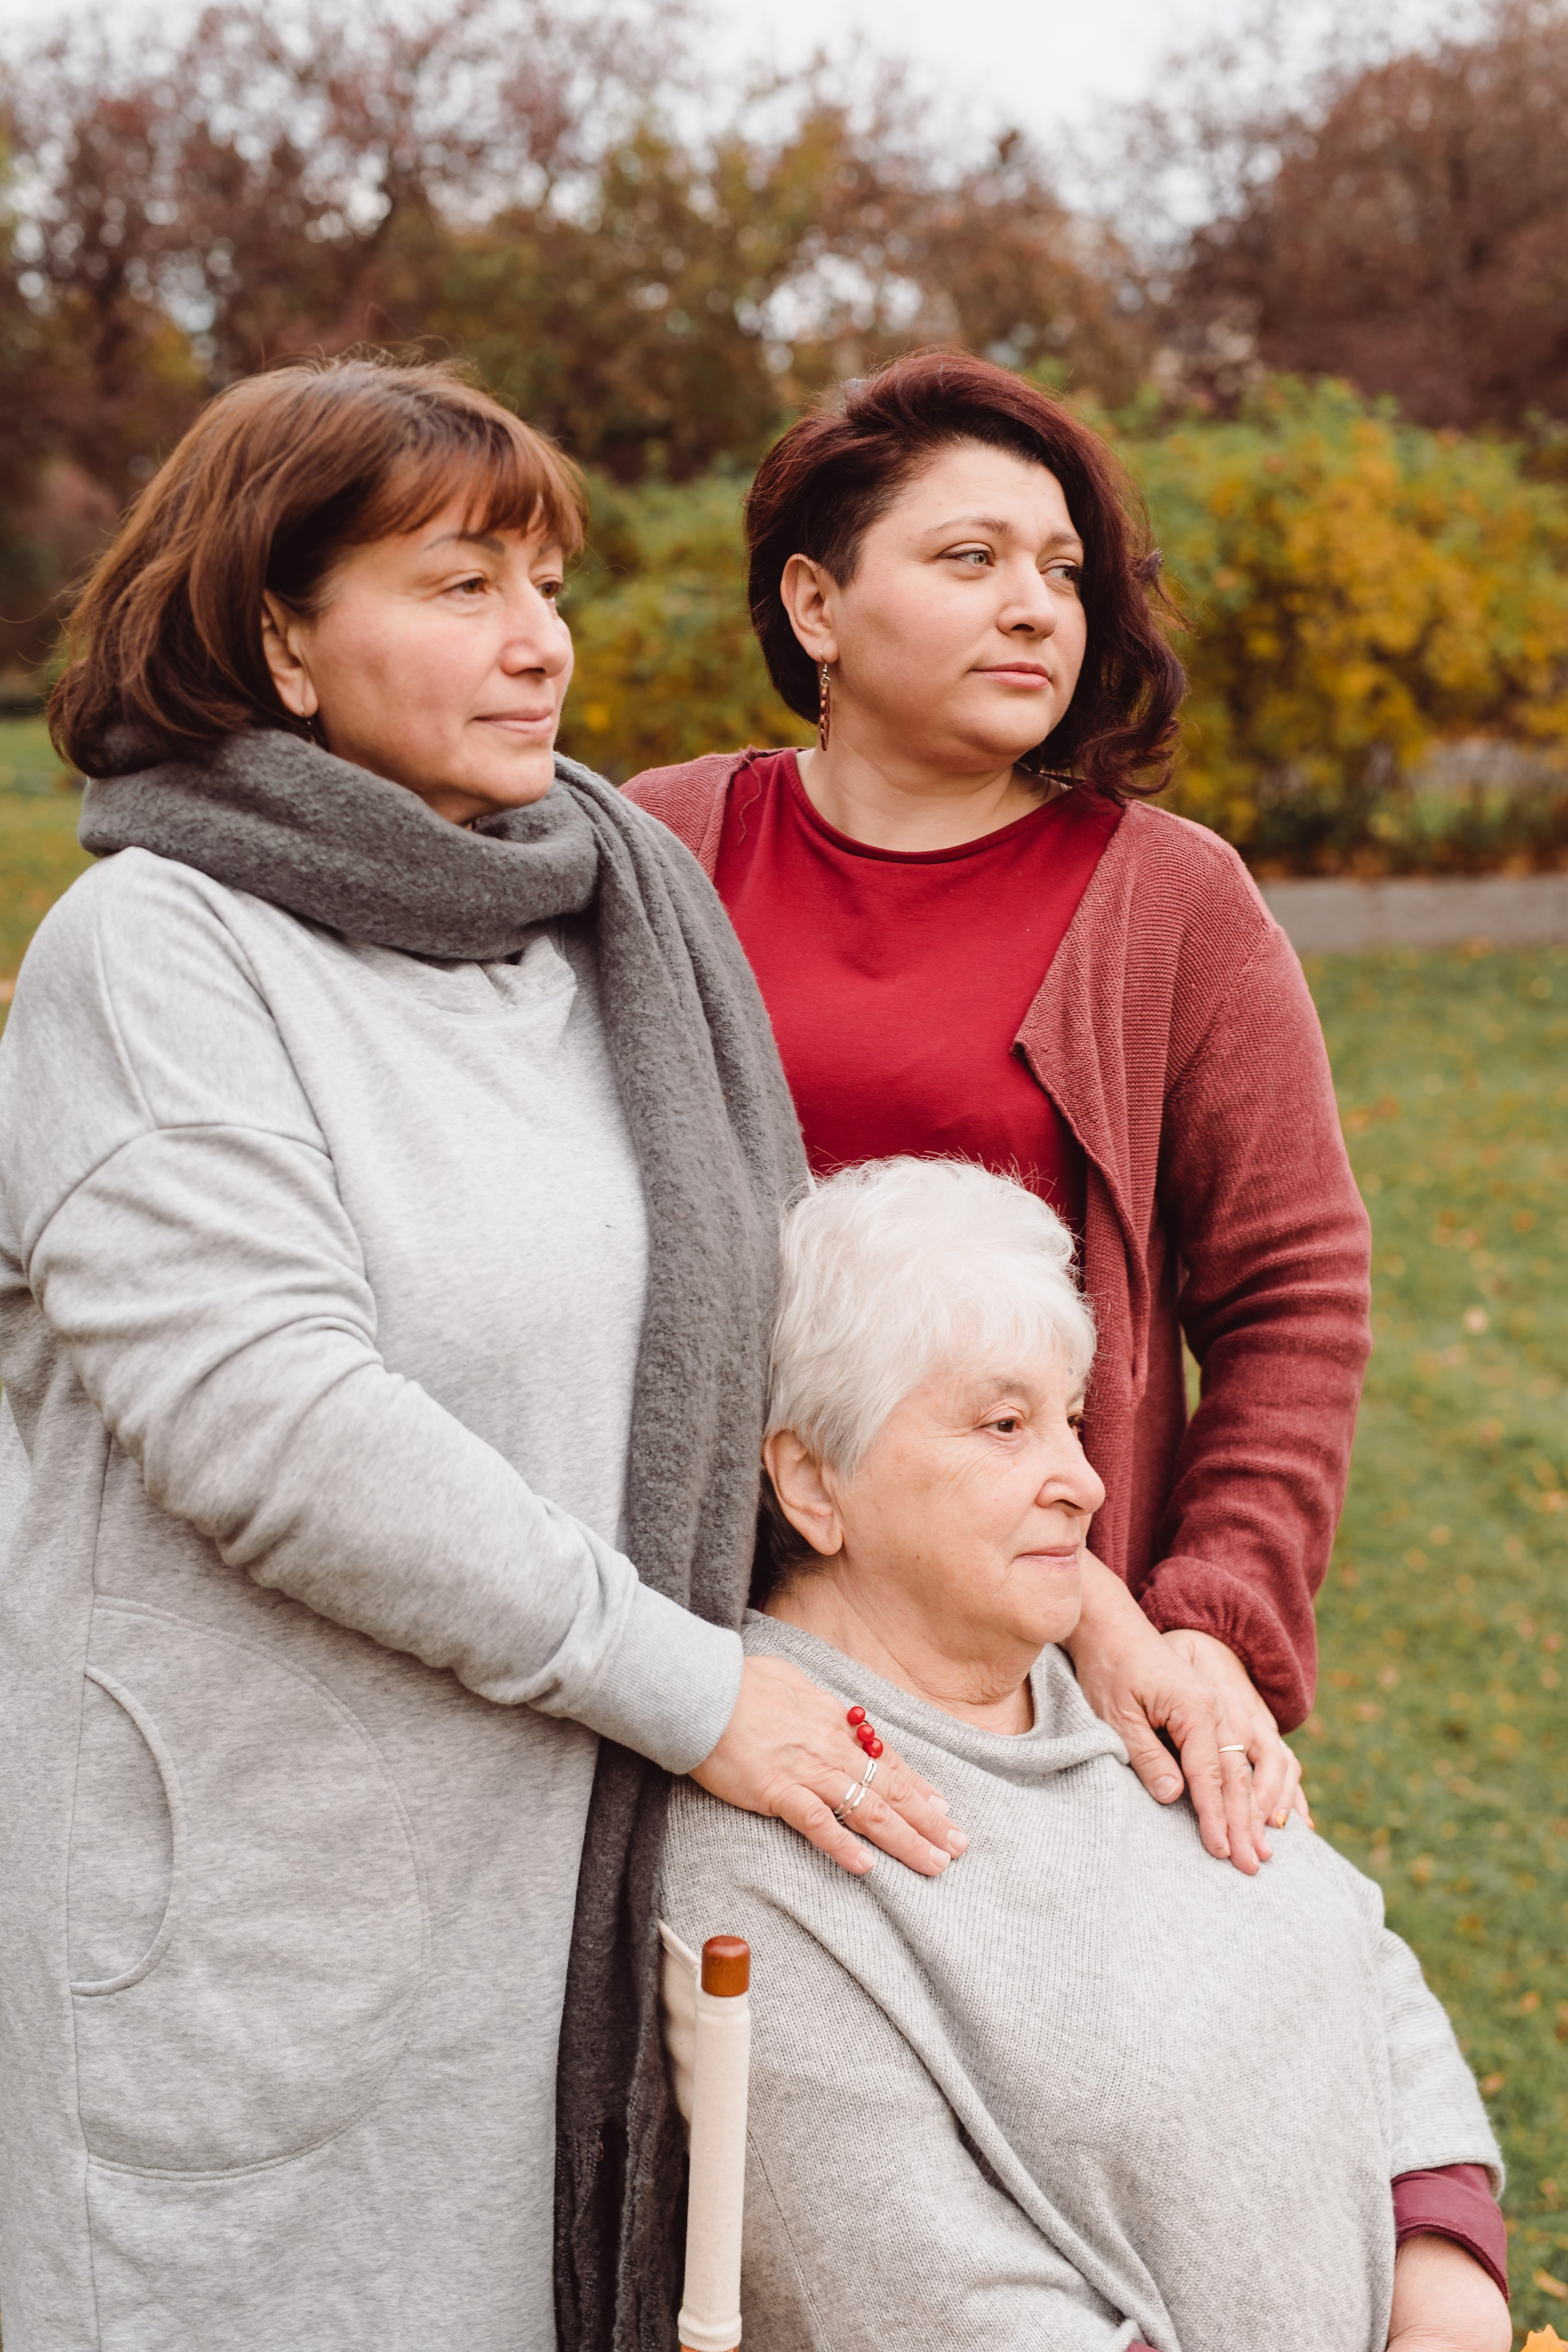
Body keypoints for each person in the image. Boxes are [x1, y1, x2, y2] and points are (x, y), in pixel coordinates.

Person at [0, 358, 968, 2352]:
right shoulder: (159, 949)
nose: (540, 646)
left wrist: (1078, 1599)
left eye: (549, 587)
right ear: (274, 631)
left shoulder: (599, 925)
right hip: (246, 1936)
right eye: (459, 589)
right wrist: (694, 1692)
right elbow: (274, 1418)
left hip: (544, 1922)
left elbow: (774, 1326)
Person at [625, 352, 1373, 1870]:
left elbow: (1293, 1294)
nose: (1034, 603)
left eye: (1060, 570)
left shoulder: (1169, 905)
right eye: (968, 559)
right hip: (685, 1637)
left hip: (1022, 1658)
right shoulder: (660, 849)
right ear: (813, 608)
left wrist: (1210, 1617)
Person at [660, 1159, 1510, 2352]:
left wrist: (1445, 2289)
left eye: (1068, 1419)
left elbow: (1357, 1962)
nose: (1084, 1481)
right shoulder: (767, 1837)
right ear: (811, 1482)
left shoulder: (1115, 1701)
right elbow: (917, 2298)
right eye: (1003, 1426)